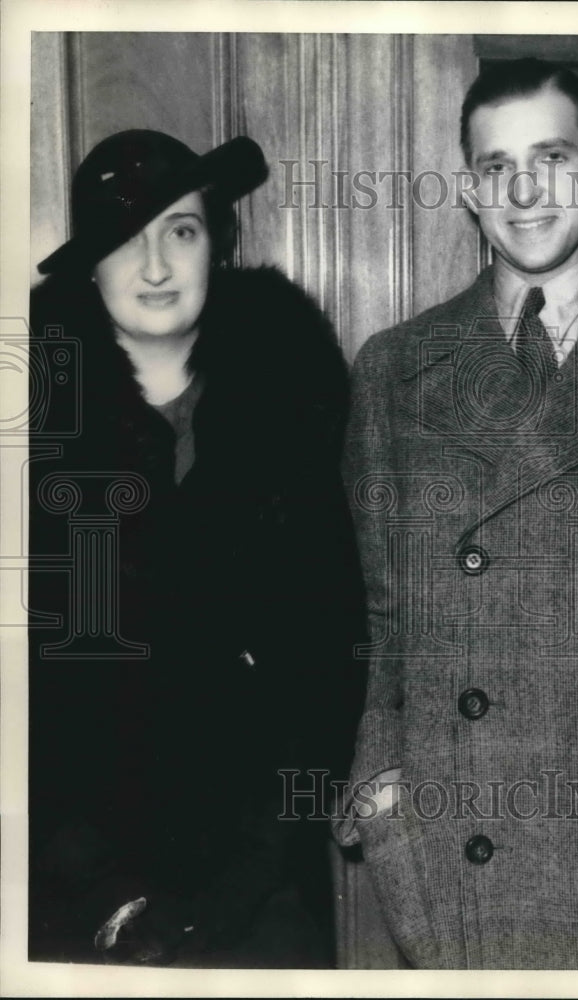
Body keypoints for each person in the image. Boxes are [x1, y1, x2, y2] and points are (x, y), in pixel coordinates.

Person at [333, 59, 578, 970]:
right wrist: (386, 796)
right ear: (469, 188)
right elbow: (383, 617)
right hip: (456, 846)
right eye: (495, 167)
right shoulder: (397, 368)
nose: (524, 192)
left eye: (551, 158)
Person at [28, 129, 365, 966]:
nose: (154, 266)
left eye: (179, 230)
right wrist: (104, 891)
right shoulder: (34, 431)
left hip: (263, 883)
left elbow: (331, 663)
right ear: (87, 264)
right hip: (74, 885)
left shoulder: (295, 409)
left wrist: (251, 875)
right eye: (121, 238)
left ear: (216, 244)